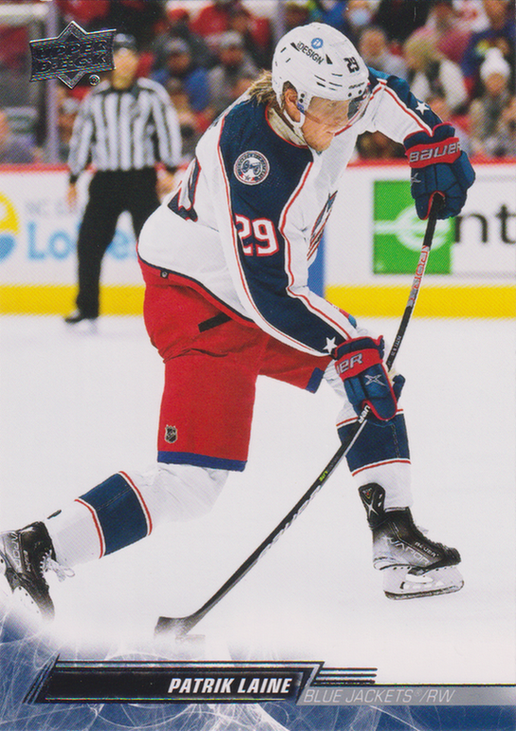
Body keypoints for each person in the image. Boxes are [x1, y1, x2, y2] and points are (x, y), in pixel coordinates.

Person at [0, 23, 474, 621]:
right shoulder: (250, 163)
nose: (345, 121)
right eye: (331, 109)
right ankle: (38, 547)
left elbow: (380, 94)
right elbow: (269, 294)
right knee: (191, 483)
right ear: (292, 99)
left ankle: (395, 539)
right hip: (196, 298)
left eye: (347, 106)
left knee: (368, 374)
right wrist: (347, 347)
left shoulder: (330, 98)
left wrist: (430, 138)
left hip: (249, 289)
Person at [63, 33, 182, 328]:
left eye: (130, 55)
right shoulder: (96, 98)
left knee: (155, 246)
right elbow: (82, 139)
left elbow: (167, 129)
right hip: (105, 181)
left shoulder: (152, 94)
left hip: (141, 179)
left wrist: (170, 168)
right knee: (89, 244)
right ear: (110, 61)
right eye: (119, 56)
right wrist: (73, 177)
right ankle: (86, 307)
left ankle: (170, 307)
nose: (125, 62)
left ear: (138, 60)